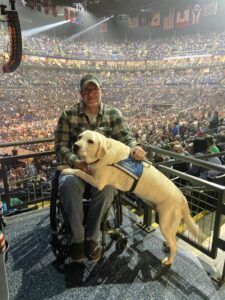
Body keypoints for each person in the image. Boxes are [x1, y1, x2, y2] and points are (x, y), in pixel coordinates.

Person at [54, 74, 146, 263]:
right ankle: (77, 239)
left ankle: (91, 238)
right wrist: (75, 161)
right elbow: (60, 145)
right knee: (68, 183)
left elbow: (127, 137)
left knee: (108, 188)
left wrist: (135, 147)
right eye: (87, 90)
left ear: (101, 91)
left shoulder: (114, 114)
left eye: (94, 89)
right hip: (77, 168)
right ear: (81, 94)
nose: (91, 93)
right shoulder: (67, 114)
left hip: (103, 171)